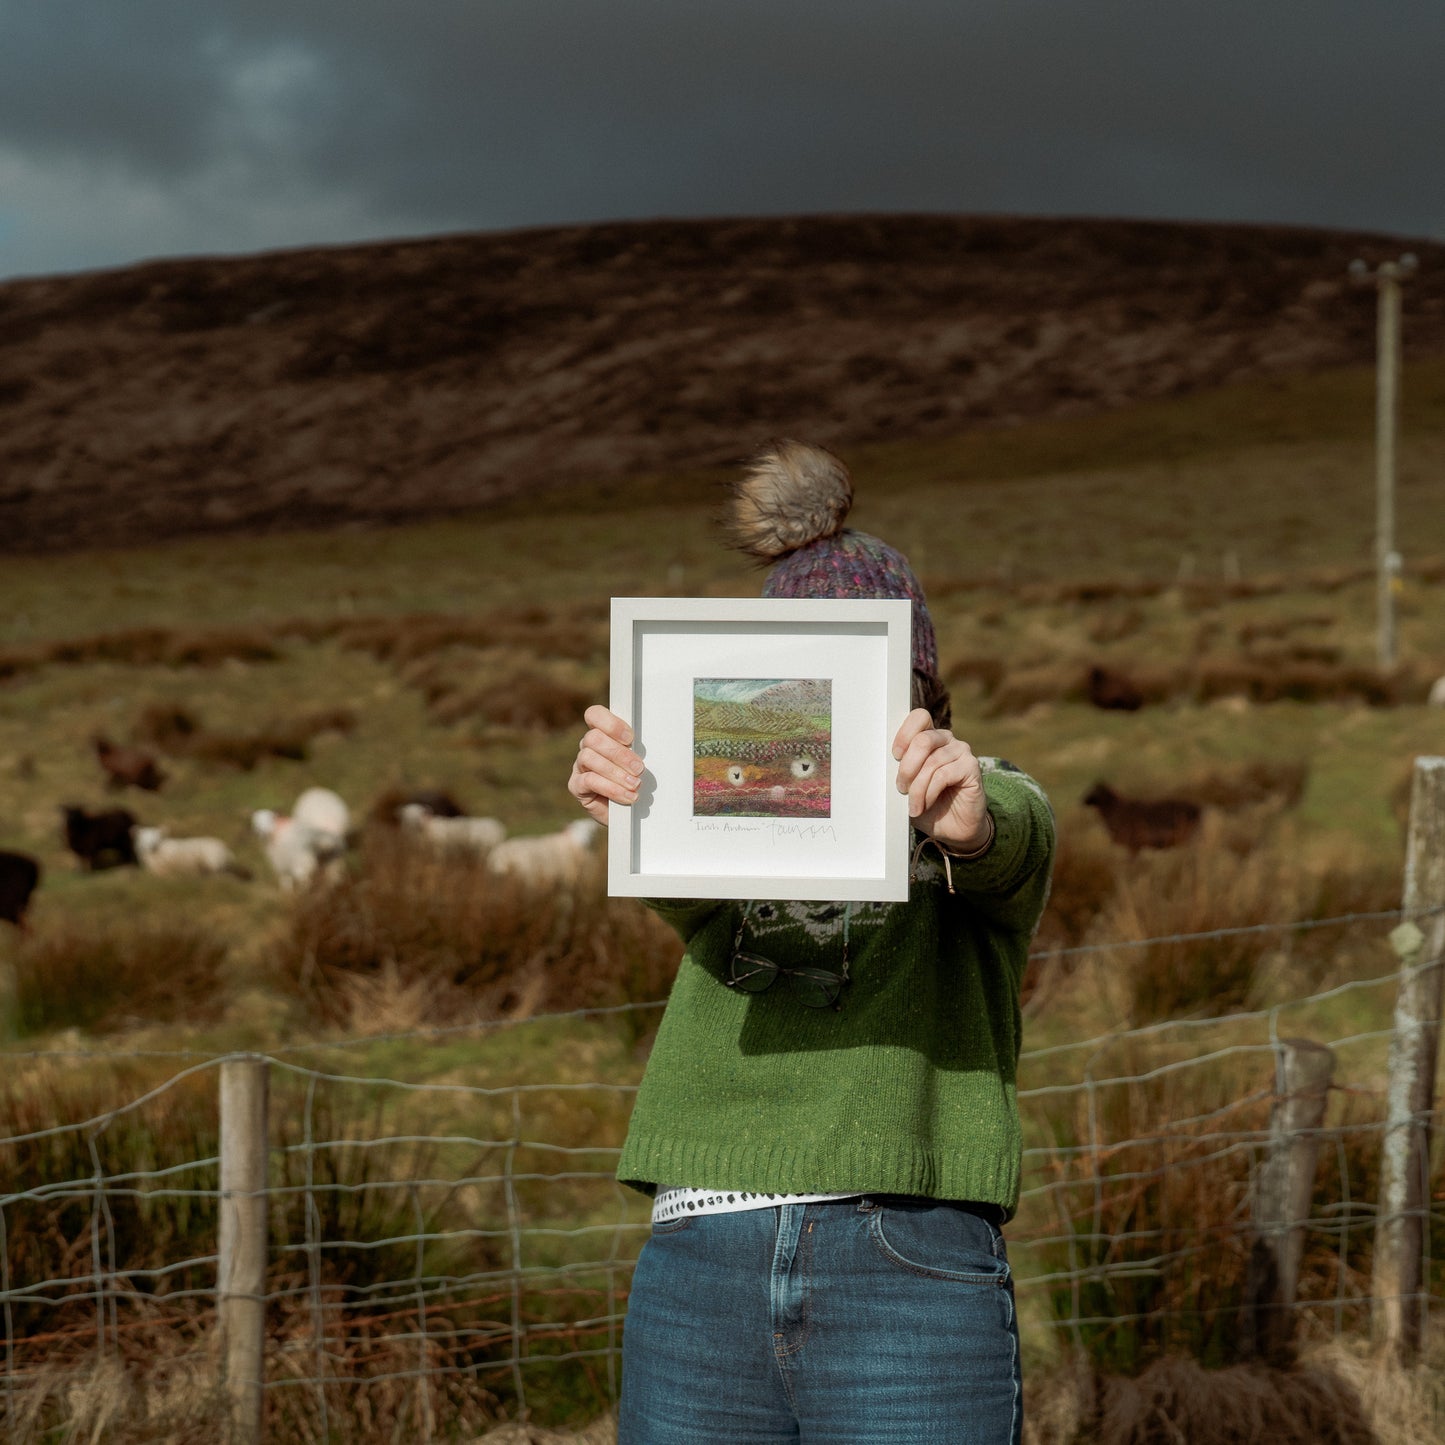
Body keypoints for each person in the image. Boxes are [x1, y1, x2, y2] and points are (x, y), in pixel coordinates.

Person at [567, 440, 1055, 1445]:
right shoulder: (729, 804)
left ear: (916, 681)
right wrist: (634, 807)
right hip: (700, 1248)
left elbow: (1011, 836)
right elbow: (686, 895)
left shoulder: (981, 791)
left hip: (907, 1253)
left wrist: (963, 818)